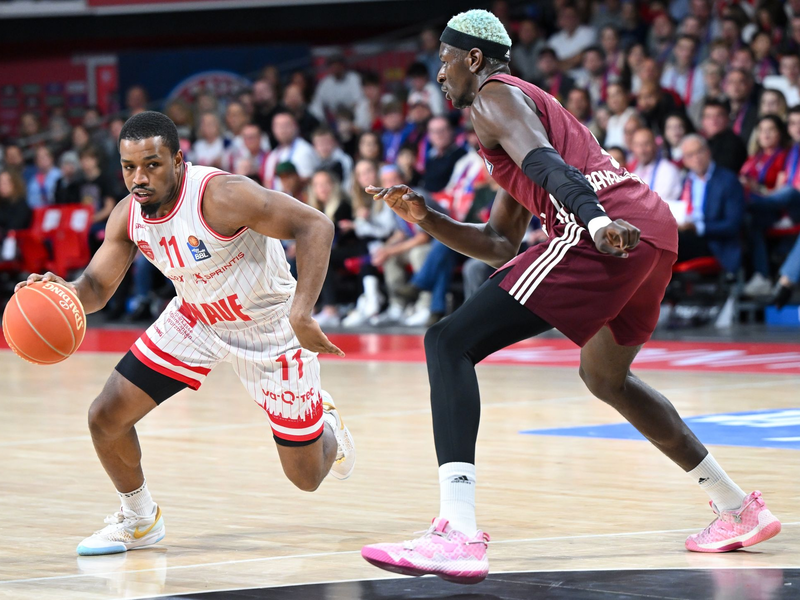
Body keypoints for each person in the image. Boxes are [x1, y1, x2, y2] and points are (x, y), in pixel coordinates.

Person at [360, 9, 780, 585]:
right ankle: (737, 508)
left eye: (445, 60)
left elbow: (545, 163)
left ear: (474, 59)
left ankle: (456, 532)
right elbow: (499, 242)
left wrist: (595, 220)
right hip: (651, 230)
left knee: (447, 342)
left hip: (604, 229)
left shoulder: (493, 97)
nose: (439, 74)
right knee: (605, 377)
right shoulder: (520, 111)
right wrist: (427, 218)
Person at [14, 111, 355, 556]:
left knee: (306, 477)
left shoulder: (222, 196)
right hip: (196, 318)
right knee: (105, 417)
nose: (139, 178)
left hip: (269, 325)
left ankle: (327, 424)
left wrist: (302, 311)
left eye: (152, 165)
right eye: (129, 167)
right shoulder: (128, 216)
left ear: (177, 160)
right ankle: (140, 518)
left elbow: (315, 225)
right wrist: (65, 293)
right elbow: (95, 286)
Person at [677, 135, 745, 274]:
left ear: (708, 152)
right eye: (690, 155)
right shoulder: (686, 181)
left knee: (664, 246)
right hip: (687, 235)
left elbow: (732, 225)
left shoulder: (727, 180)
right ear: (684, 161)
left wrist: (698, 228)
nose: (696, 158)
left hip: (714, 242)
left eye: (699, 152)